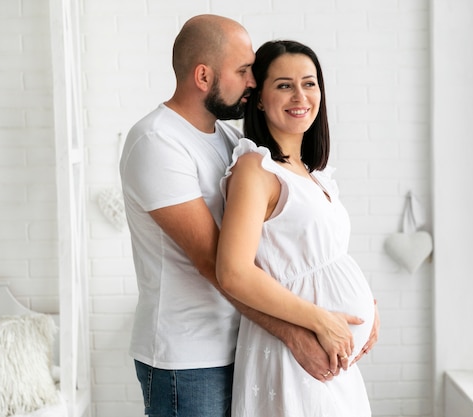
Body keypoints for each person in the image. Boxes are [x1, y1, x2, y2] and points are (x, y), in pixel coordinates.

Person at [120, 15, 377, 417]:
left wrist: (361, 306)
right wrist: (299, 332)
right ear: (203, 76)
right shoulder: (157, 142)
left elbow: (284, 246)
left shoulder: (230, 140)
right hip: (189, 358)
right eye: (243, 71)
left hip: (239, 341)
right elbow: (215, 264)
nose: (252, 81)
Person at [216, 40, 378, 417]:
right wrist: (322, 319)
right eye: (284, 85)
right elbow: (233, 272)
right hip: (291, 353)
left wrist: (368, 305)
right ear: (258, 98)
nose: (300, 95)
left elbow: (328, 258)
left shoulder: (312, 173)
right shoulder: (256, 169)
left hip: (333, 360)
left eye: (309, 83)